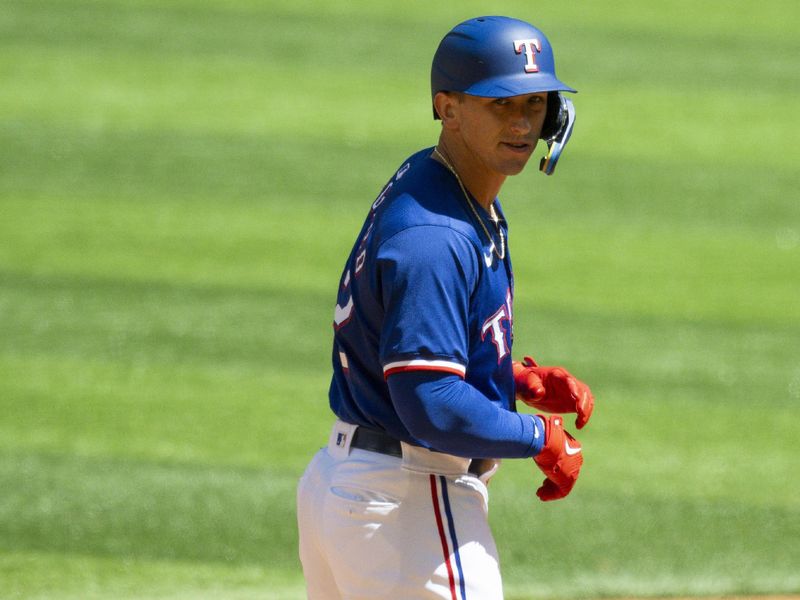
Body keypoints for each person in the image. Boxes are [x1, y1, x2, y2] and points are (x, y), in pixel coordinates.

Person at [296, 15, 595, 600]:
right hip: (409, 501)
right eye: (499, 104)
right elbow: (430, 401)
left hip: (360, 491)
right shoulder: (438, 235)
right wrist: (539, 436)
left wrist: (513, 378)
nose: (521, 123)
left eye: (535, 104)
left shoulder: (443, 182)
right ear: (448, 107)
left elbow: (410, 351)